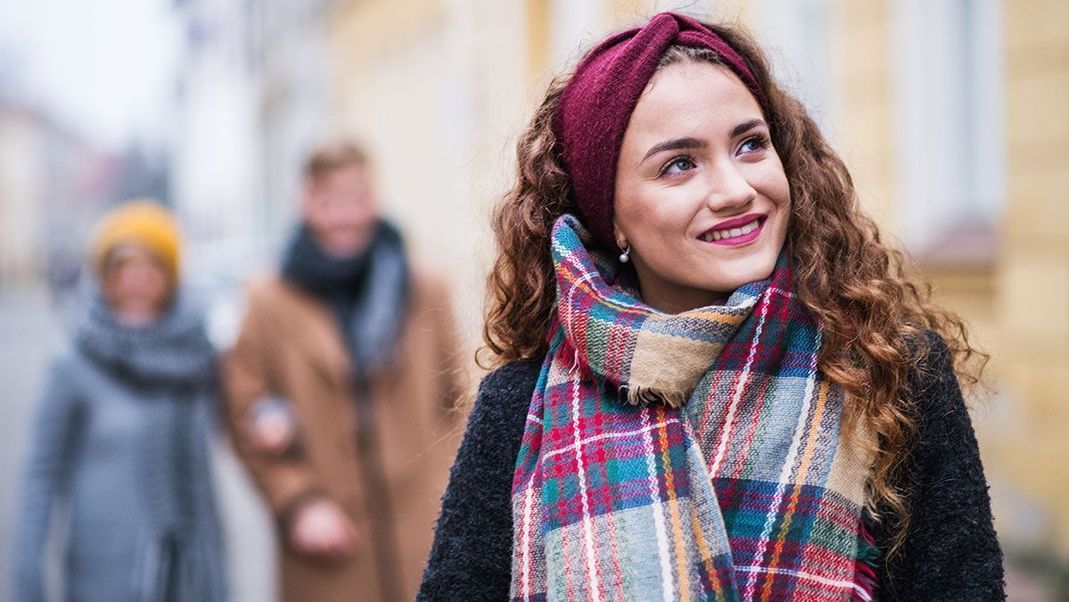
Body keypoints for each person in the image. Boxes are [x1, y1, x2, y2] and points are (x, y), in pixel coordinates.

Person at [419, 13, 1003, 601]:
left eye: (751, 145)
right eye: (680, 164)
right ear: (611, 214)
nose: (734, 189)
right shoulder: (523, 406)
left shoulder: (886, 370)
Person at [223, 141, 465, 601]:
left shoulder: (424, 288)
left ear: (374, 198)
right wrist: (298, 502)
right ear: (305, 202)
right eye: (328, 201)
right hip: (327, 551)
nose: (344, 216)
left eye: (355, 199)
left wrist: (452, 492)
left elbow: (460, 398)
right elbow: (242, 413)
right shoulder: (267, 301)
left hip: (427, 533)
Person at [11, 200, 226, 602]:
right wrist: (27, 583)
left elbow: (214, 474)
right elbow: (40, 478)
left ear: (172, 277)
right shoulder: (74, 363)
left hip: (194, 580)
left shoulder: (199, 359)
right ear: (104, 277)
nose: (137, 283)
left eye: (152, 269)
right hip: (105, 581)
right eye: (124, 269)